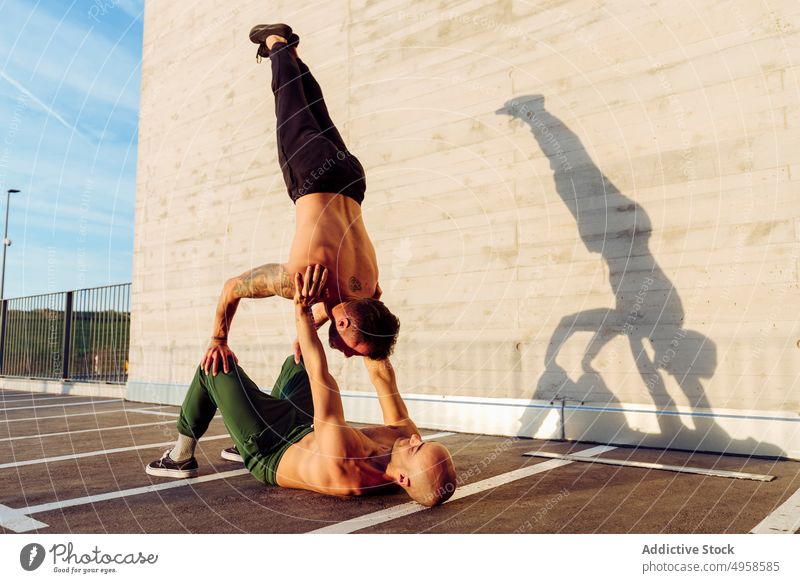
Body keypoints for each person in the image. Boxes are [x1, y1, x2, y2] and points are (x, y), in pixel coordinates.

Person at [147, 266, 457, 507]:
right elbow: (383, 377)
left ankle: (180, 456)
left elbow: (322, 377)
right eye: (424, 441)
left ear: (402, 478)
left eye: (418, 447)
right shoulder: (405, 441)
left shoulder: (346, 464)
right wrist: (369, 307)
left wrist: (303, 310)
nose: (415, 436)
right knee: (298, 362)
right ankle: (240, 432)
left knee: (215, 366)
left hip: (269, 446)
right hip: (306, 428)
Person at [202, 23, 398, 377]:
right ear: (344, 324)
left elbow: (340, 304)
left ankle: (291, 53)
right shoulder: (299, 280)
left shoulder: (368, 288)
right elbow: (232, 288)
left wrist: (313, 322)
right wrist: (218, 339)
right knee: (288, 103)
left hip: (352, 180)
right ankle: (275, 42)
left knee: (316, 110)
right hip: (312, 176)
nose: (349, 356)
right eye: (354, 349)